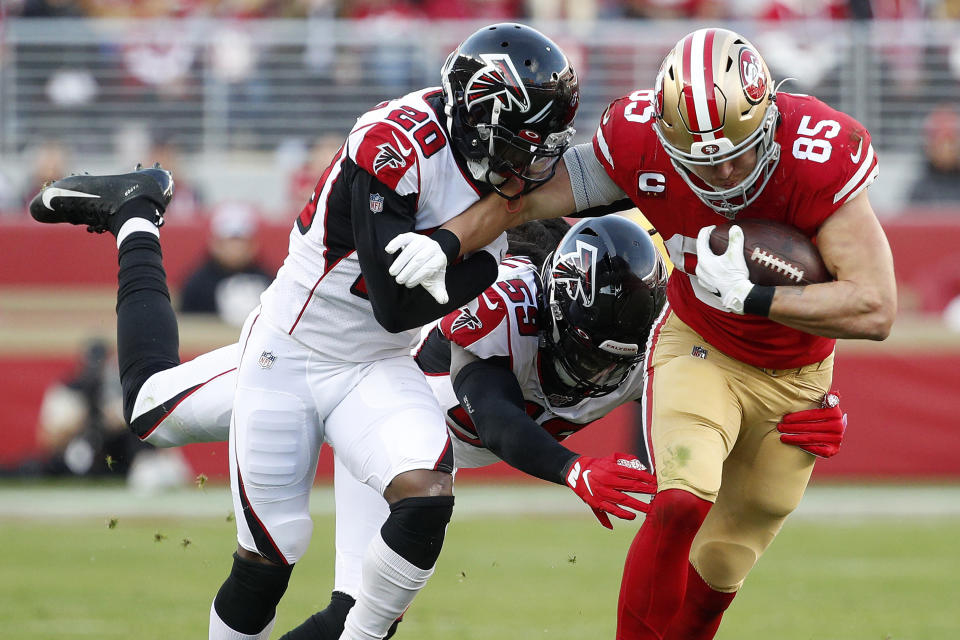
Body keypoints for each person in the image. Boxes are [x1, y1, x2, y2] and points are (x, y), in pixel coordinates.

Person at [28, 23, 653, 640]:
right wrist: (480, 258)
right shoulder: (392, 145)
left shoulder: (497, 169)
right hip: (291, 353)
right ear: (484, 116)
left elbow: (592, 192)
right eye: (528, 141)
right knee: (260, 548)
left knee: (426, 497)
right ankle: (138, 214)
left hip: (377, 367)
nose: (538, 160)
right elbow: (393, 302)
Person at [391, 26, 896, 640]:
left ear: (767, 116)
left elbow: (875, 307)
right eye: (702, 162)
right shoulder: (639, 144)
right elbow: (523, 202)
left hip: (796, 370)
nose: (724, 175)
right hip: (700, 340)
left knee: (725, 562)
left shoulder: (818, 155)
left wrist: (758, 300)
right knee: (682, 498)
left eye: (737, 153)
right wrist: (446, 241)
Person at [179, 202, 273, 326]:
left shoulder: (268, 282)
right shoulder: (197, 285)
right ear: (215, 244)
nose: (235, 248)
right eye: (229, 241)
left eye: (241, 241)